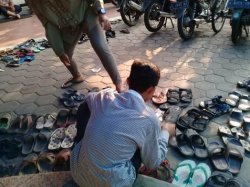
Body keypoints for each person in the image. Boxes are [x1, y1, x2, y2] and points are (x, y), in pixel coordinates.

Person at [70, 59, 175, 187]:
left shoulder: (104, 96)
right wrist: (166, 132)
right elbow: (153, 162)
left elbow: (87, 102)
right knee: (142, 146)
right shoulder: (149, 119)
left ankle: (83, 149)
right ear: (151, 90)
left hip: (77, 173)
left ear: (128, 81)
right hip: (113, 184)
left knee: (86, 108)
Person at [25, 0, 122, 92]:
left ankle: (119, 85)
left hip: (87, 13)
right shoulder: (33, 2)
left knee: (100, 46)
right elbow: (48, 23)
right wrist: (59, 50)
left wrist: (102, 13)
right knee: (65, 55)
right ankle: (77, 76)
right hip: (69, 25)